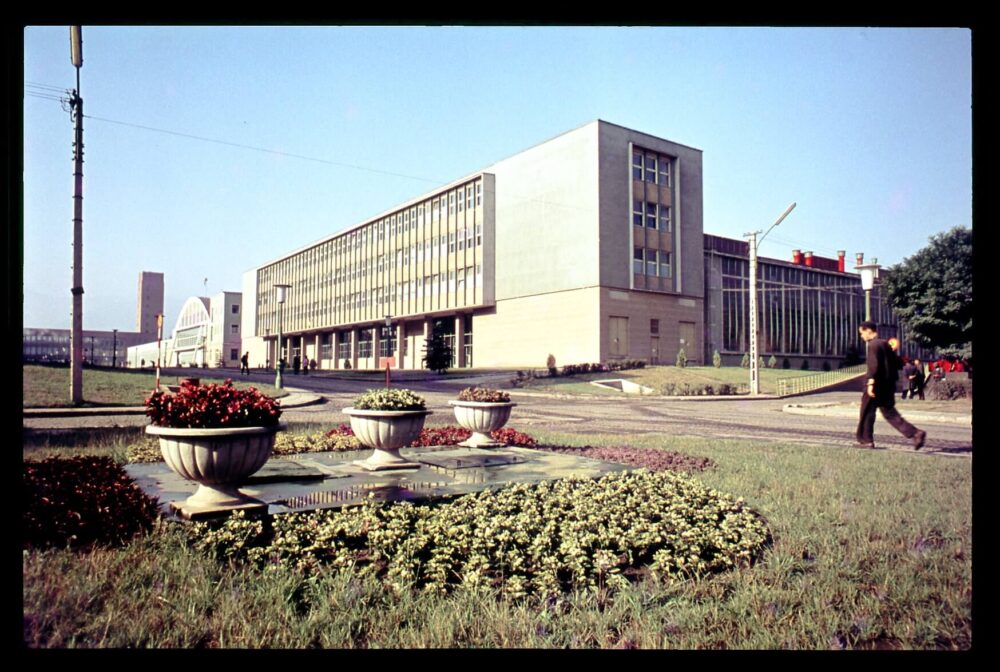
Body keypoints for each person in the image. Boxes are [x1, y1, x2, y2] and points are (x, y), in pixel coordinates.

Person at [856, 321, 926, 450]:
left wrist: (870, 383)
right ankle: (916, 433)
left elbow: (874, 365)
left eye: (862, 333)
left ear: (868, 331)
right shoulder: (885, 345)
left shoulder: (873, 345)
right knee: (890, 414)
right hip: (887, 386)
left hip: (876, 385)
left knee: (867, 412)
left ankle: (866, 441)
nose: (861, 336)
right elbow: (897, 364)